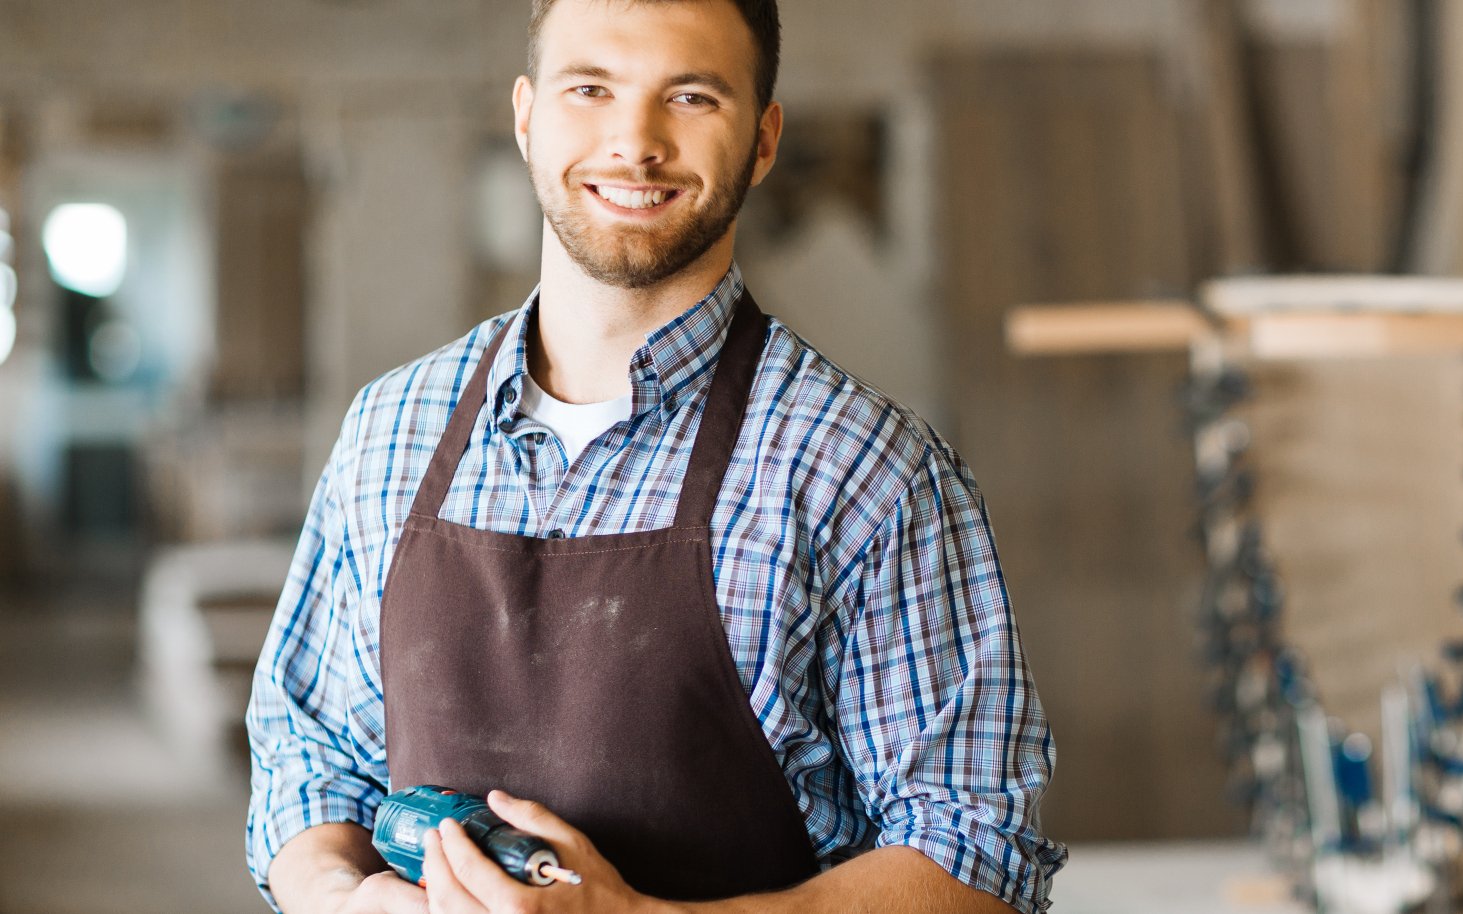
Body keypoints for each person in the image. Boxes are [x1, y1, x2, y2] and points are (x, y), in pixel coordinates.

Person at [243, 1, 1065, 911]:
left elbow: (974, 853)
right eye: (591, 88)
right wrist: (347, 899)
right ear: (527, 115)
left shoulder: (863, 469)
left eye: (691, 97)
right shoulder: (391, 429)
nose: (634, 143)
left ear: (762, 138)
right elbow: (308, 757)